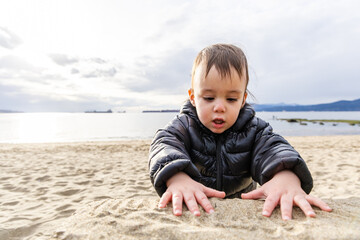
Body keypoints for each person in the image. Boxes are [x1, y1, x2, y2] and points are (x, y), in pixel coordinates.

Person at [148, 44, 331, 220]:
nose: (219, 107)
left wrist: (286, 177)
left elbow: (274, 149)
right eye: (209, 97)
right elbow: (164, 144)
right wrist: (177, 177)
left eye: (231, 99)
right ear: (193, 97)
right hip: (199, 205)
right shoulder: (184, 126)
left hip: (244, 203)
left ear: (243, 100)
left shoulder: (254, 130)